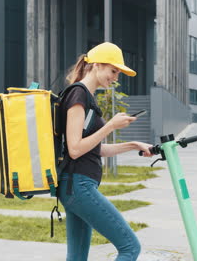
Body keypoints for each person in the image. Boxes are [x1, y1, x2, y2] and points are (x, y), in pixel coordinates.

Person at [57, 42, 153, 261]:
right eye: (113, 71)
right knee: (130, 247)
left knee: (77, 257)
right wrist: (110, 126)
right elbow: (74, 149)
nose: (116, 77)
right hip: (78, 186)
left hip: (75, 186)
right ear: (97, 65)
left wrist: (134, 144)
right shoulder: (78, 95)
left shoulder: (86, 98)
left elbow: (94, 149)